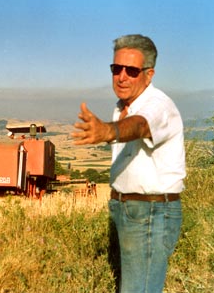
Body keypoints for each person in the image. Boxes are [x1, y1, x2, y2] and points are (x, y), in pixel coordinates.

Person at [71, 34, 186, 293]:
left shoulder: (157, 105)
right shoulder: (122, 105)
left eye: (131, 70)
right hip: (130, 209)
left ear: (149, 74)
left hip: (149, 213)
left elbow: (141, 125)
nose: (122, 76)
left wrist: (109, 131)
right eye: (116, 68)